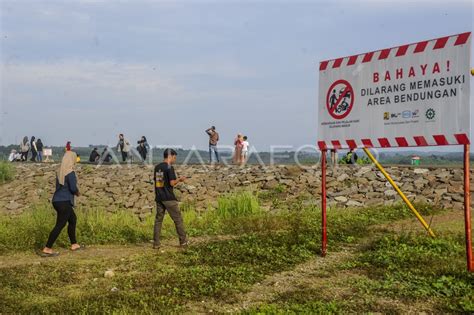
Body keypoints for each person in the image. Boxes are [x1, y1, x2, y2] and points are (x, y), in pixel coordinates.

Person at [39, 151, 83, 257]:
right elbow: (72, 188)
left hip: (57, 200)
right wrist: (77, 192)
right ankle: (47, 248)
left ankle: (74, 244)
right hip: (65, 201)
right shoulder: (70, 172)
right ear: (71, 159)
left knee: (72, 219)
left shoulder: (60, 172)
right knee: (60, 225)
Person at [153, 148, 188, 249]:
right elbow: (172, 183)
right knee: (178, 220)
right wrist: (180, 179)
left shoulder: (157, 167)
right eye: (174, 157)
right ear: (170, 156)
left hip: (159, 197)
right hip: (169, 198)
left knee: (158, 220)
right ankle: (183, 242)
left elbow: (159, 183)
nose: (174, 159)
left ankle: (156, 243)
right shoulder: (169, 167)